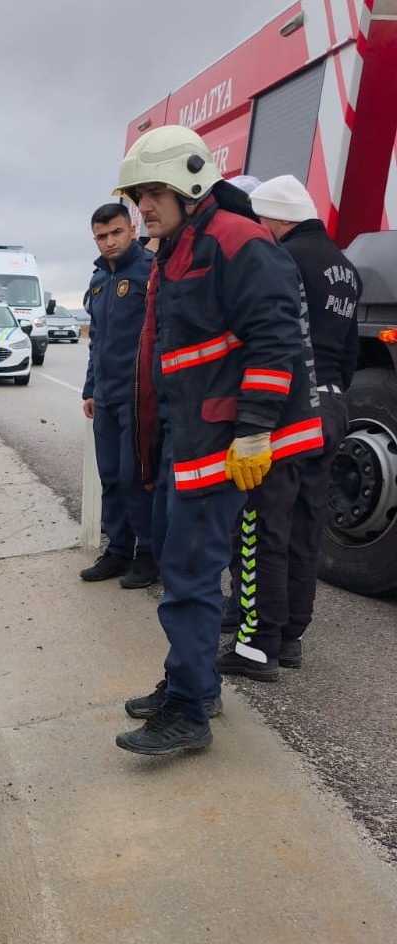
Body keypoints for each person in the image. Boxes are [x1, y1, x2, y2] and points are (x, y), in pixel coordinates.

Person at [111, 126, 323, 756]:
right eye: (137, 195)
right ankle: (194, 683)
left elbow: (275, 339)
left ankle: (187, 710)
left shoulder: (235, 240)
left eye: (152, 193)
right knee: (187, 568)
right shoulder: (180, 246)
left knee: (190, 574)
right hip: (196, 435)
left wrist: (256, 430)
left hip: (226, 442)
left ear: (191, 183)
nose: (141, 207)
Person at [215, 175, 360, 680]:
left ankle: (257, 643)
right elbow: (352, 353)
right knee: (305, 522)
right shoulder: (345, 266)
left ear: (275, 220)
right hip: (333, 406)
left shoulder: (283, 257)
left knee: (259, 523)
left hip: (288, 405)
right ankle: (292, 632)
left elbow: (271, 334)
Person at [80, 203, 157, 589]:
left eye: (116, 233)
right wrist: (91, 389)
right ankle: (119, 550)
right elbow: (97, 340)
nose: (109, 242)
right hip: (107, 397)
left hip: (140, 396)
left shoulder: (149, 271)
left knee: (136, 476)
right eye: (101, 236)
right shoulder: (98, 280)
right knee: (110, 476)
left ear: (132, 228)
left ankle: (148, 555)